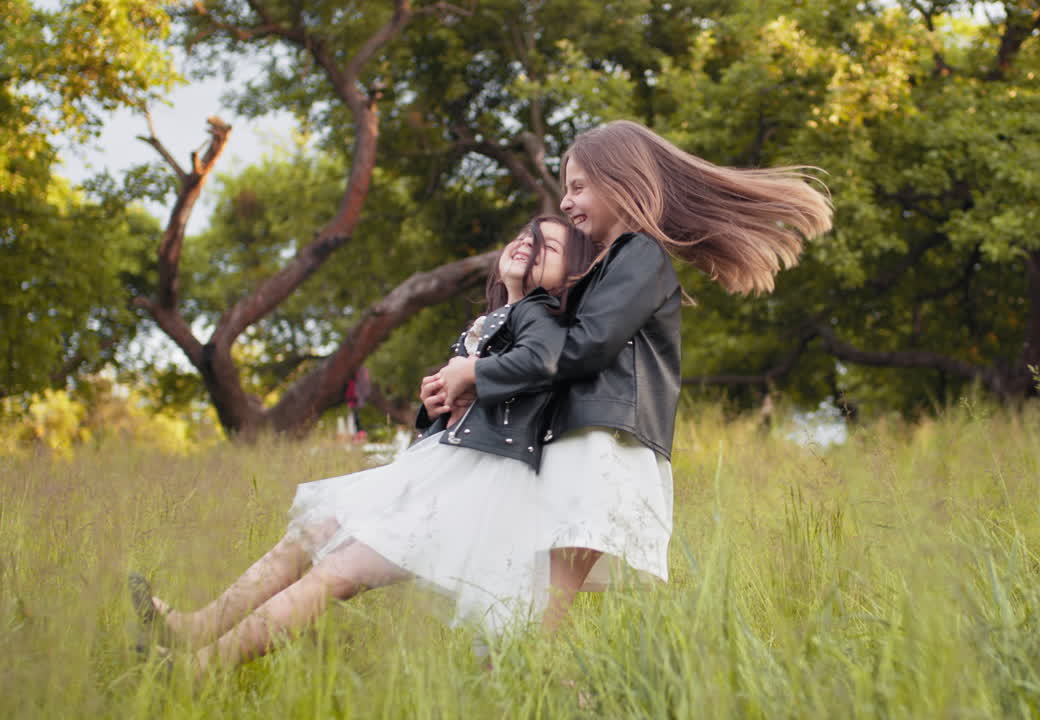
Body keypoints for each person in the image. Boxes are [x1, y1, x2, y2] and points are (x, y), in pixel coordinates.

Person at [129, 215, 594, 673]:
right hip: (435, 468)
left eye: (547, 248)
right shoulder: (489, 321)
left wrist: (472, 376)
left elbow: (541, 361)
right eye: (522, 236)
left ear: (567, 277)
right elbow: (464, 404)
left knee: (337, 570)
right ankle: (197, 628)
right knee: (307, 538)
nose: (527, 246)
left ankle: (204, 667)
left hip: (469, 484)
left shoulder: (540, 315)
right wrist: (435, 403)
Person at [437, 119, 833, 632]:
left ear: (621, 181)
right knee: (533, 609)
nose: (565, 202)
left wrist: (480, 372)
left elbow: (584, 349)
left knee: (538, 614)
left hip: (602, 446)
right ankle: (553, 690)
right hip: (584, 442)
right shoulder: (614, 263)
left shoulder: (639, 254)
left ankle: (535, 685)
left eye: (578, 186)